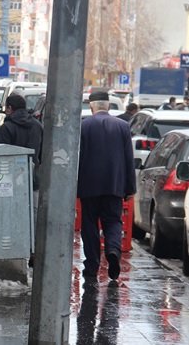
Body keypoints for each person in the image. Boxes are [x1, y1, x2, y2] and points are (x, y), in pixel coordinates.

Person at [77, 91, 135, 281]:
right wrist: (130, 188)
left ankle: (92, 264)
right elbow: (128, 160)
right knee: (113, 221)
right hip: (114, 185)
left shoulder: (84, 126)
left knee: (89, 225)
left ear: (91, 106)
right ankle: (112, 250)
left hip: (88, 185)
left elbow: (79, 157)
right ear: (108, 106)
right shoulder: (123, 126)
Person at [0, 94, 43, 267]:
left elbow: (1, 157)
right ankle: (32, 252)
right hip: (33, 180)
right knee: (33, 217)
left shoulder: (6, 128)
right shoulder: (38, 126)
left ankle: (14, 253)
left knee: (10, 216)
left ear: (9, 108)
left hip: (9, 183)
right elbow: (42, 154)